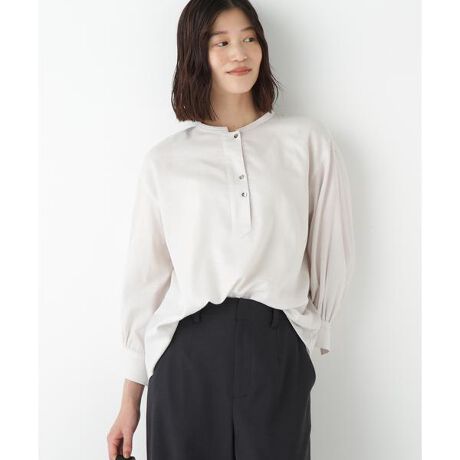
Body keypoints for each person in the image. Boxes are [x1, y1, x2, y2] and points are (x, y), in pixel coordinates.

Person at [107, 0, 356, 459]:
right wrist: (129, 402)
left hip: (276, 346)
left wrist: (306, 340)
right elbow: (145, 281)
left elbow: (332, 249)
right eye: (220, 42)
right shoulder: (166, 160)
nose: (239, 53)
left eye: (248, 38)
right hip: (186, 355)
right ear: (196, 54)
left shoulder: (306, 142)